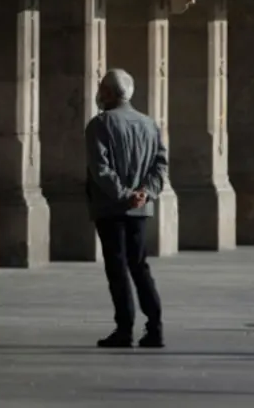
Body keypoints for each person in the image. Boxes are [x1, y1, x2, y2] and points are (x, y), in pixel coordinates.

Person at [85, 68, 166, 349]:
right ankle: (155, 327)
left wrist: (124, 194)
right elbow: (160, 166)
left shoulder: (100, 124)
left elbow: (100, 168)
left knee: (117, 268)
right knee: (139, 266)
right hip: (140, 209)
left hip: (111, 208)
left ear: (108, 92)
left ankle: (125, 328)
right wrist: (146, 193)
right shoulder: (149, 124)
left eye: (101, 88)